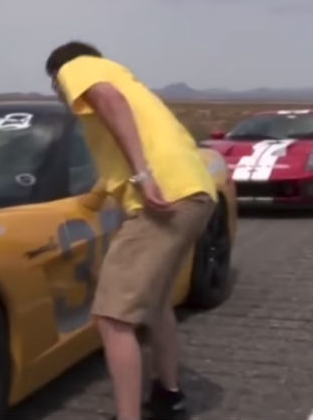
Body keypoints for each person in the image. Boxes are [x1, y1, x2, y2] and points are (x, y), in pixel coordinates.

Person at [46, 41, 217, 420]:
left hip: (163, 198)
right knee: (156, 305)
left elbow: (109, 101)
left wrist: (142, 176)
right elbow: (112, 166)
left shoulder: (77, 68)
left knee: (111, 317)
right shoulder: (129, 81)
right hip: (195, 193)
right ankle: (168, 396)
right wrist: (95, 199)